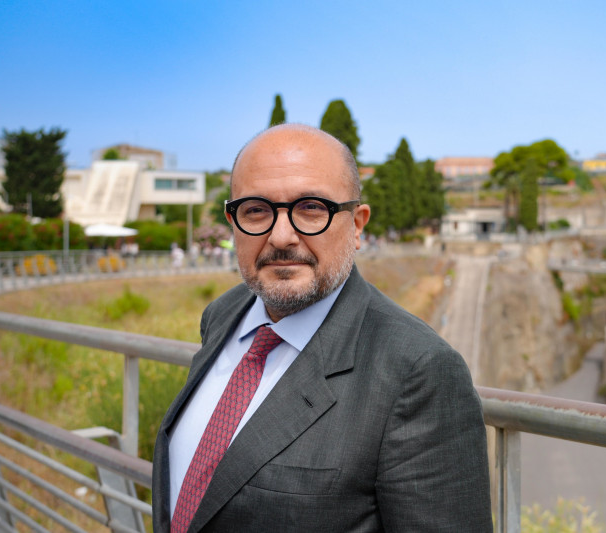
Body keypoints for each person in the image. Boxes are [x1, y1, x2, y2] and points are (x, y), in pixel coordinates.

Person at [152, 124, 491, 532]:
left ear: (358, 224)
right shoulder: (222, 315)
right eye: (256, 210)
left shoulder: (416, 371)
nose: (281, 236)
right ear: (233, 221)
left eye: (311, 208)